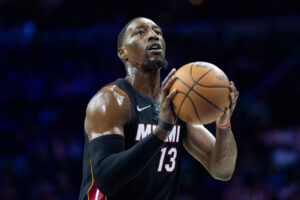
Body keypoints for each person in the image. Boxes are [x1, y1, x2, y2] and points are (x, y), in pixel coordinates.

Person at [79, 17, 239, 200]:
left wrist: (223, 124)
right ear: (123, 53)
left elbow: (223, 171)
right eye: (140, 32)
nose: (153, 35)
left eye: (158, 32)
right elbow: (105, 180)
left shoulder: (177, 102)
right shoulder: (110, 101)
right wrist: (162, 131)